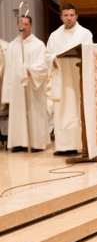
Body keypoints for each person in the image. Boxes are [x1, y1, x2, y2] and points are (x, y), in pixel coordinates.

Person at [46, 3, 93, 156]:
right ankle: (63, 146)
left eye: (71, 15)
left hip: (77, 78)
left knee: (77, 108)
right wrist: (52, 58)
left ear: (76, 16)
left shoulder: (85, 34)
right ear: (61, 17)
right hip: (61, 79)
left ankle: (79, 145)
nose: (69, 18)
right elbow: (47, 54)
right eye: (66, 15)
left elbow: (89, 52)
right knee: (61, 109)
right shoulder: (54, 36)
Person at [1, 16, 50, 153]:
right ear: (17, 26)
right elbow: (8, 68)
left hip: (33, 85)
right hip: (17, 87)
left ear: (31, 26)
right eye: (21, 24)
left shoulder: (38, 44)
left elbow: (43, 63)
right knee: (18, 113)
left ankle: (36, 143)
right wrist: (7, 90)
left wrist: (32, 71)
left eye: (26, 24)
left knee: (34, 113)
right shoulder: (12, 46)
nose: (23, 27)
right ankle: (19, 142)